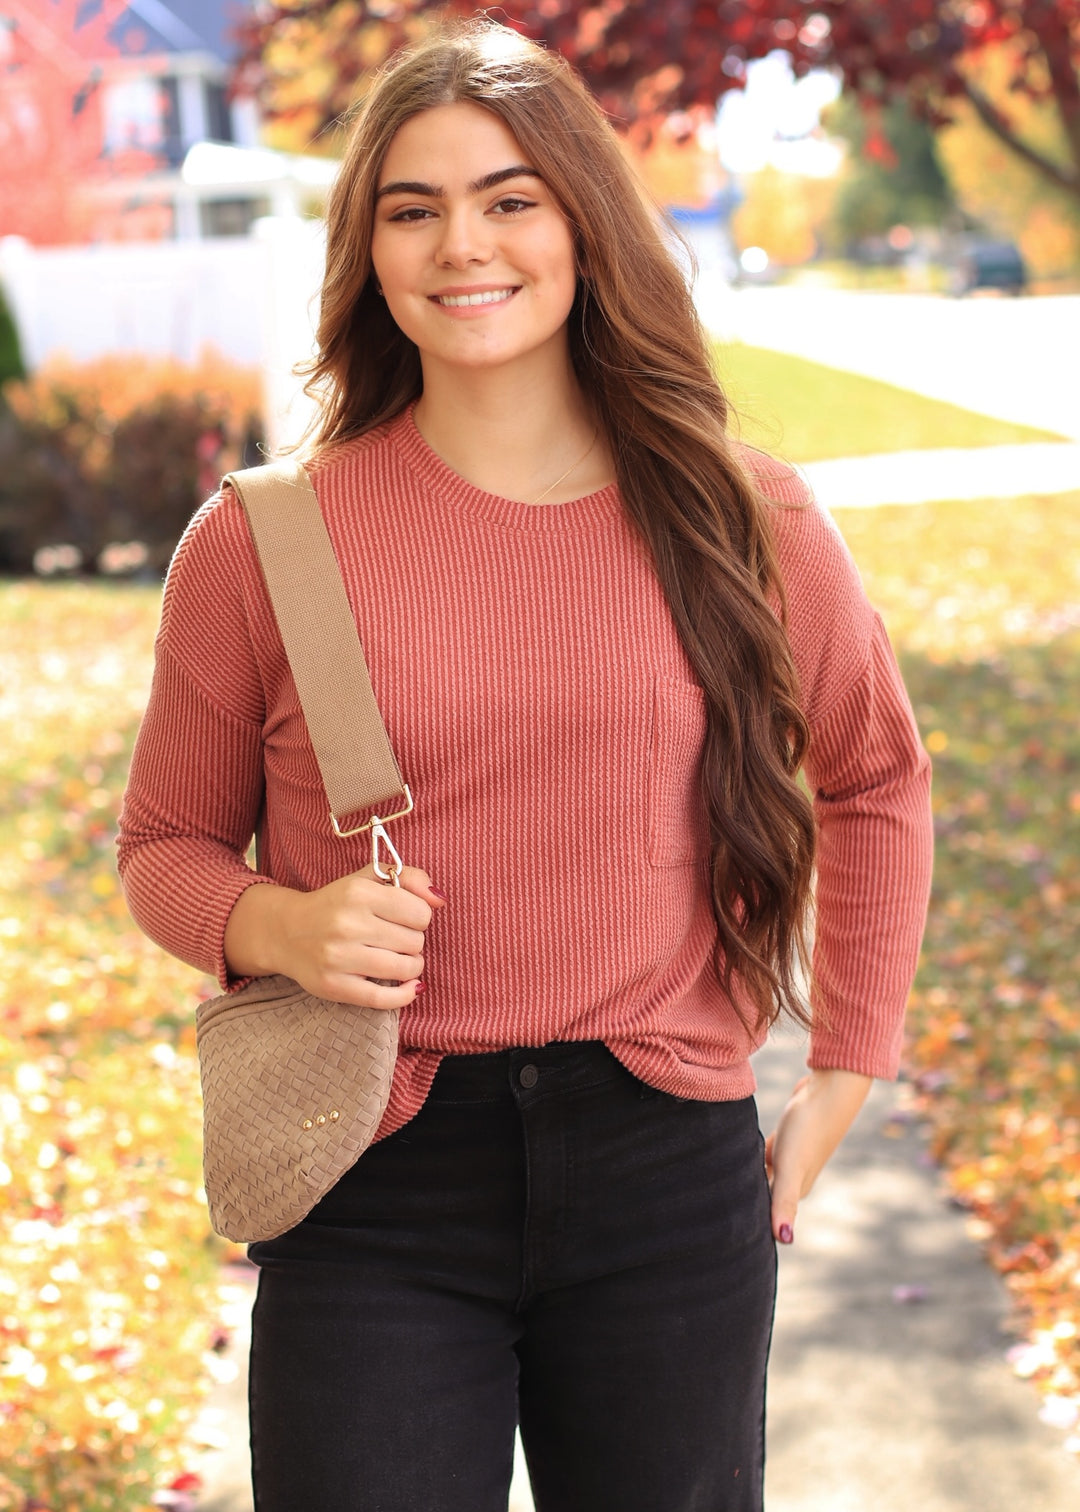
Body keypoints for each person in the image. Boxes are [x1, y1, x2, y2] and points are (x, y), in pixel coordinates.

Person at [118, 19, 933, 1512]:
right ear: (367, 250)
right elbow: (161, 846)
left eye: (509, 199)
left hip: (664, 1170)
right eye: (411, 209)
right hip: (373, 1180)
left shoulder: (741, 518)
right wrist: (278, 926)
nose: (460, 245)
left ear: (582, 223)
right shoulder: (264, 540)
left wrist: (844, 1070)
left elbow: (876, 773)